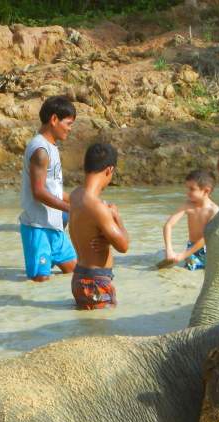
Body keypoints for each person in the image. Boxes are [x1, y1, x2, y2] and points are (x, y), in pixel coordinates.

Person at [18, 95, 78, 282]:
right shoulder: (40, 151)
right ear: (54, 120)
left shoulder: (51, 148)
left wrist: (84, 202)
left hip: (54, 226)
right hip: (38, 228)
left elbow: (54, 190)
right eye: (68, 123)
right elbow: (38, 192)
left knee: (74, 272)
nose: (70, 129)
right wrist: (70, 209)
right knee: (40, 282)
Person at [68, 143, 130, 310]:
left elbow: (89, 233)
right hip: (96, 282)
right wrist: (117, 218)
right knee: (103, 332)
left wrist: (107, 241)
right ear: (109, 170)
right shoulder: (98, 207)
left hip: (79, 277)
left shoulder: (75, 195)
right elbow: (124, 246)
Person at [158, 169, 219, 270]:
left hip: (210, 251)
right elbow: (168, 225)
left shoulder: (214, 211)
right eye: (187, 188)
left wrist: (183, 255)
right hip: (192, 249)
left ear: (206, 191)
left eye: (192, 189)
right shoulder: (188, 205)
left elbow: (207, 237)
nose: (187, 192)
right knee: (184, 271)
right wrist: (169, 250)